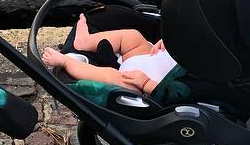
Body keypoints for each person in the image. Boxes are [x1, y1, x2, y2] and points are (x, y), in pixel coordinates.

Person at [42, 13, 176, 95]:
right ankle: (86, 41)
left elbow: (176, 96)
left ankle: (67, 62)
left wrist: (146, 83)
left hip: (145, 83)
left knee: (113, 78)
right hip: (153, 56)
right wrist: (170, 43)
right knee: (132, 37)